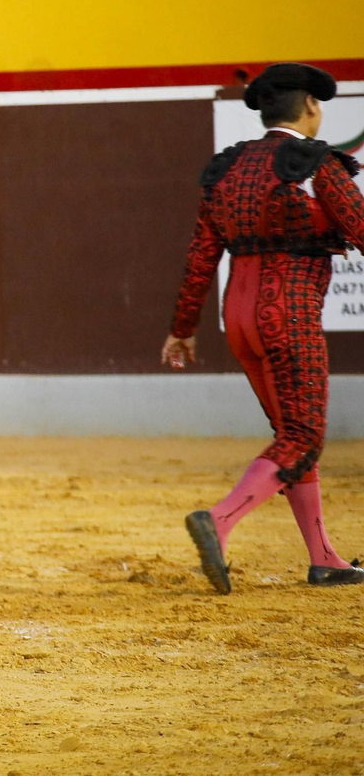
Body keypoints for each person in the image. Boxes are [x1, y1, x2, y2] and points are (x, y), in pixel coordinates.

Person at [167, 62, 364, 593]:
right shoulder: (316, 164)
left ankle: (325, 558)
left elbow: (199, 257)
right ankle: (222, 519)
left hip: (239, 317)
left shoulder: (226, 169)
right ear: (311, 108)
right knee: (302, 436)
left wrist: (183, 327)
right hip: (289, 314)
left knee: (291, 438)